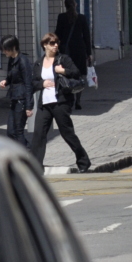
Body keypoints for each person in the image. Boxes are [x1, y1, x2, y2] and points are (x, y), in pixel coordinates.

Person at [28, 32, 90, 173]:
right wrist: (42, 84)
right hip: (44, 104)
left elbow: (77, 73)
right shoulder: (38, 63)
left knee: (67, 133)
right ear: (44, 45)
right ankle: (36, 167)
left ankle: (83, 161)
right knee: (39, 133)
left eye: (57, 43)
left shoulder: (63, 59)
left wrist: (63, 71)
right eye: (52, 43)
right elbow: (33, 83)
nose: (55, 45)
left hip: (60, 102)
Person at [53, 0, 93, 109]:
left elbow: (57, 35)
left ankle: (68, 99)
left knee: (66, 73)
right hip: (79, 50)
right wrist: (89, 53)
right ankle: (78, 100)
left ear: (65, 6)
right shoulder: (81, 18)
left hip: (66, 51)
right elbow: (86, 37)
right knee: (78, 75)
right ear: (75, 5)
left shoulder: (61, 17)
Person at [0, 35, 35, 146]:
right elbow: (11, 76)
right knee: (10, 132)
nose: (4, 52)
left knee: (18, 131)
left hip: (21, 99)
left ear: (13, 47)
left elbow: (28, 84)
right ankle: (26, 154)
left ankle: (27, 155)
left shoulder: (23, 61)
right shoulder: (12, 60)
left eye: (6, 49)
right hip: (14, 98)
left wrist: (29, 106)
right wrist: (6, 81)